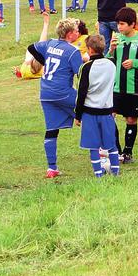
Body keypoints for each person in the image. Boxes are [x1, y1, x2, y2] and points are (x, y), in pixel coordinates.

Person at [28, 16, 84, 178]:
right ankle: (102, 154)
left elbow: (32, 47)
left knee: (51, 130)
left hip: (45, 93)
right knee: (91, 115)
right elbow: (81, 74)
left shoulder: (50, 43)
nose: (78, 32)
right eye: (76, 30)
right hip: (63, 92)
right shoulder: (73, 51)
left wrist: (45, 60)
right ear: (69, 34)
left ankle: (51, 168)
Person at [107, 7, 138, 164]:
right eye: (118, 24)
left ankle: (128, 152)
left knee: (131, 120)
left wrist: (135, 63)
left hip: (134, 88)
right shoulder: (117, 39)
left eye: (122, 24)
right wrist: (111, 50)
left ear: (132, 24)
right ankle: (116, 150)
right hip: (115, 87)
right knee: (109, 118)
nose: (119, 27)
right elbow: (108, 61)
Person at [73, 34, 119, 177]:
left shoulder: (85, 67)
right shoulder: (111, 64)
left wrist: (77, 115)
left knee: (93, 145)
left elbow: (81, 93)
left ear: (90, 50)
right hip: (107, 111)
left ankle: (98, 174)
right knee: (111, 144)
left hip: (89, 112)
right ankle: (115, 172)